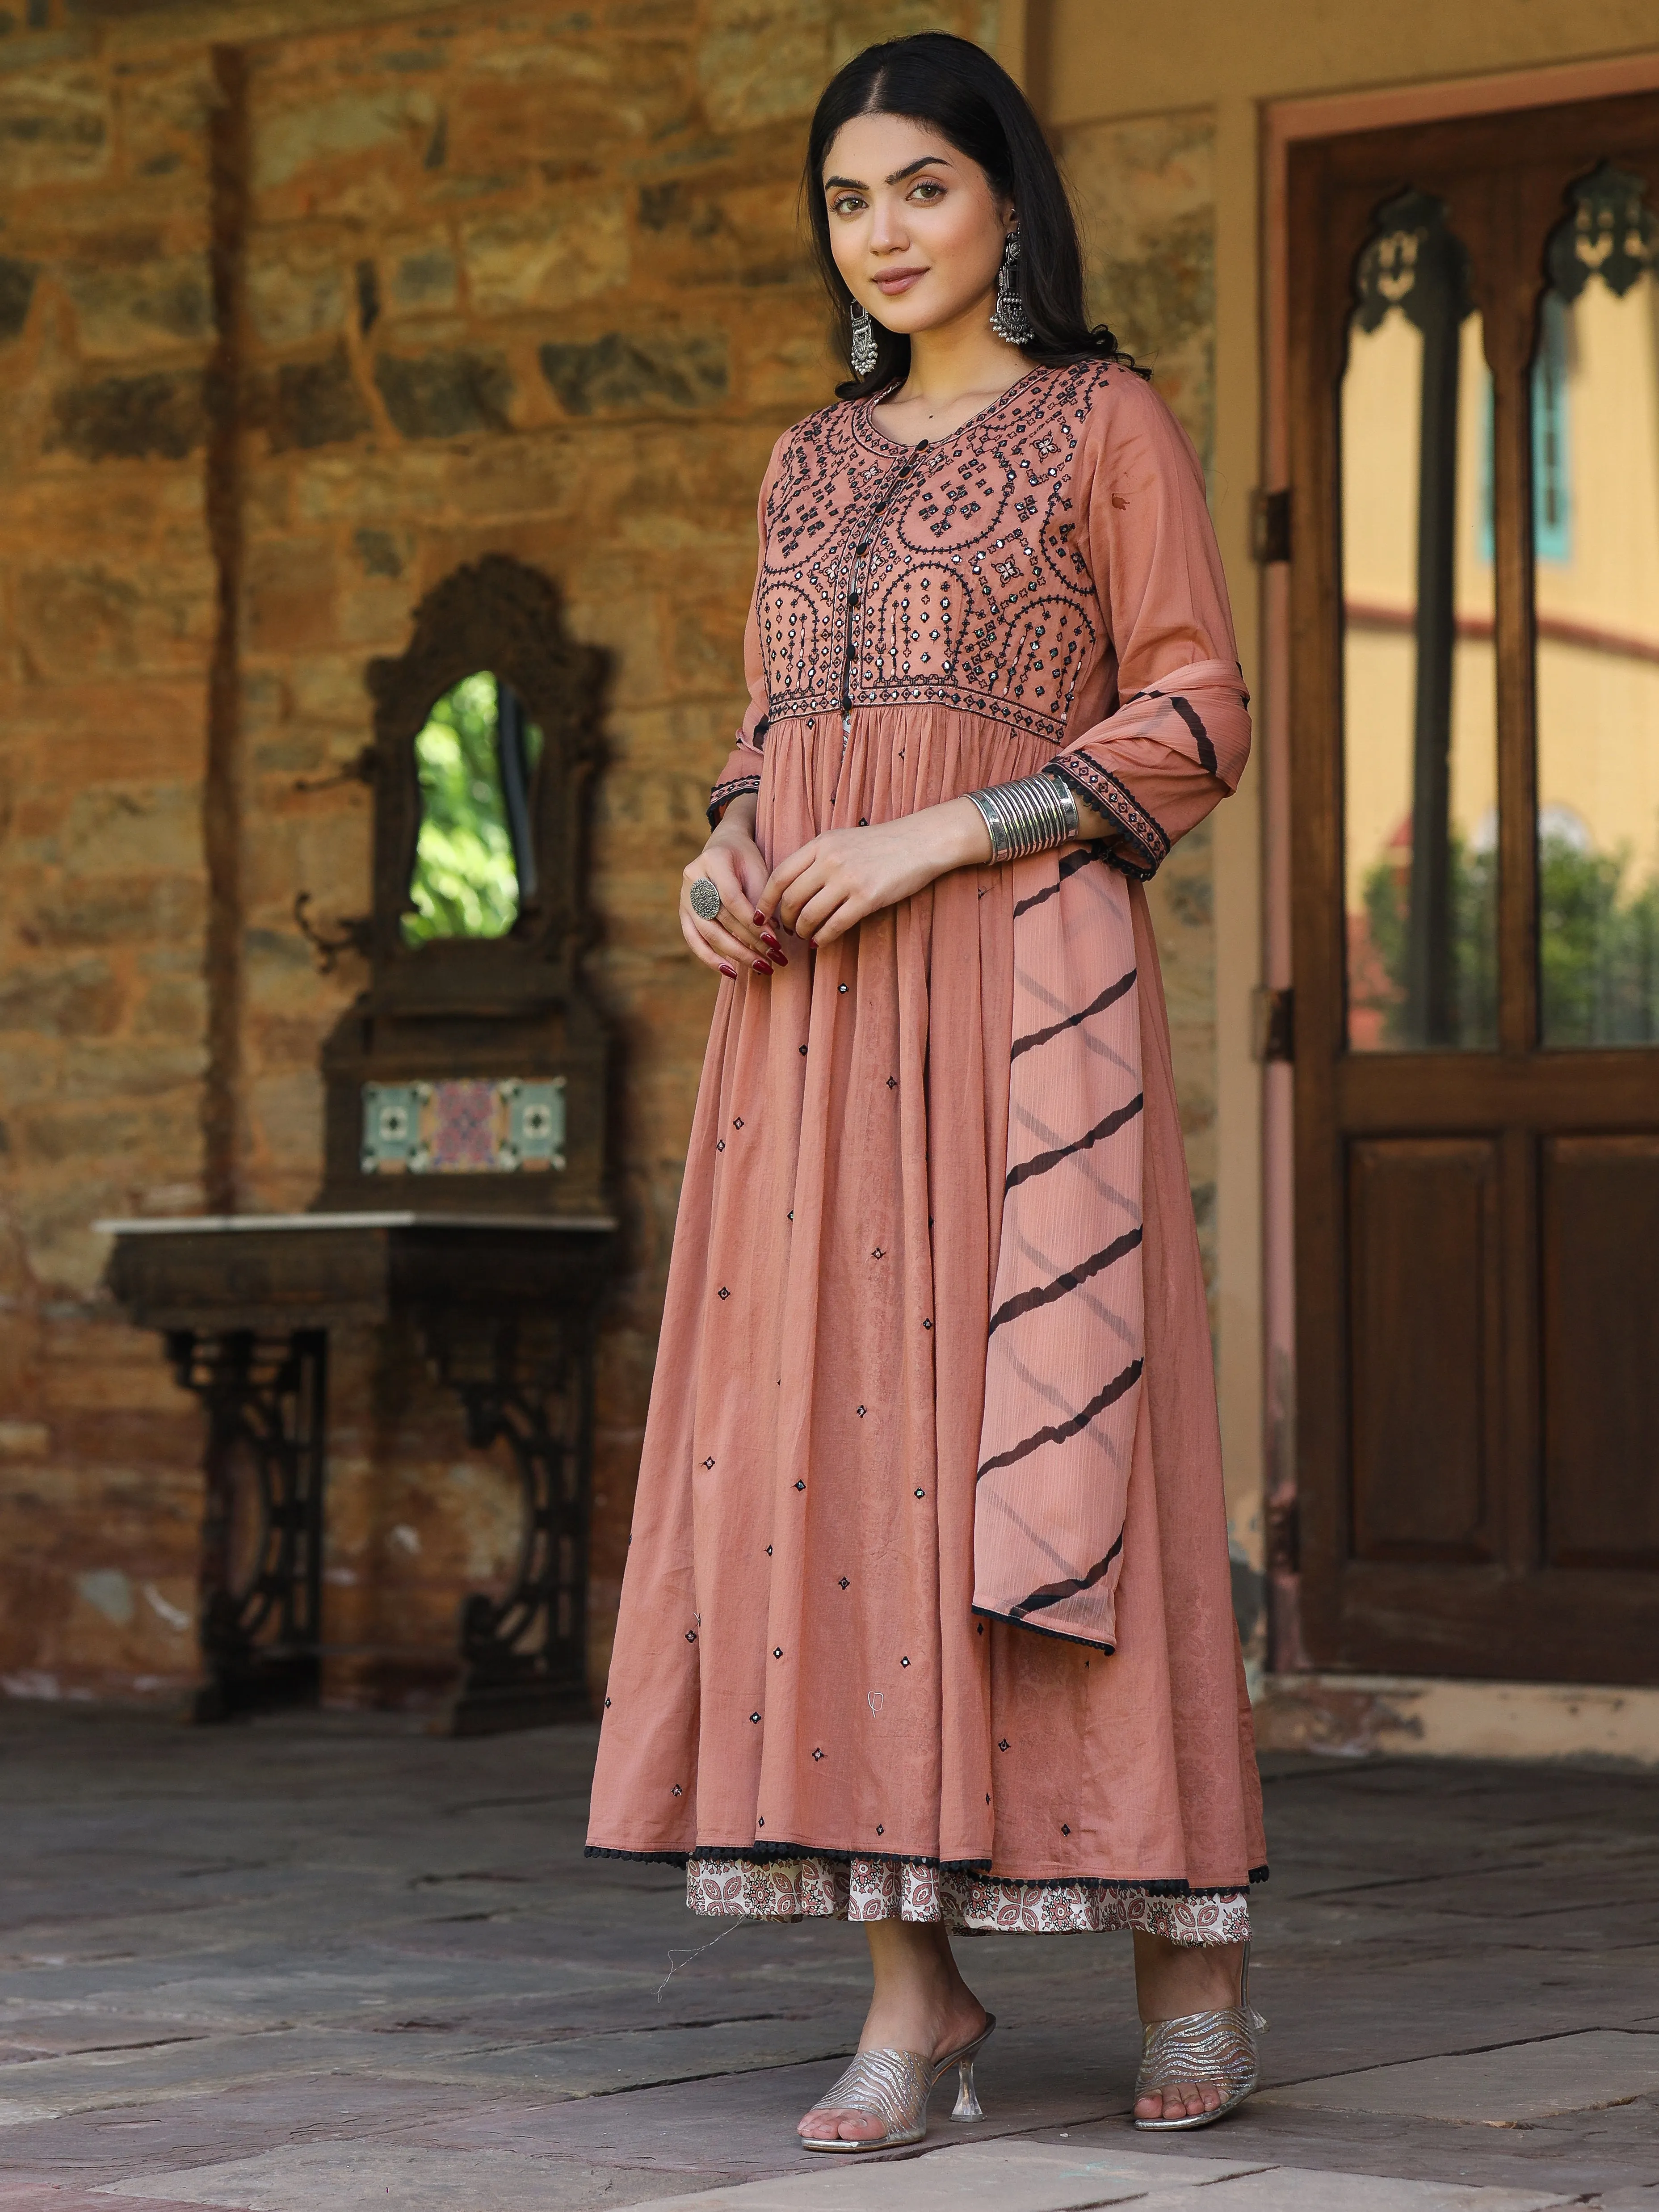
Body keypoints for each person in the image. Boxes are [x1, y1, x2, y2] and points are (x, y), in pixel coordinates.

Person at [585, 29, 1268, 2149]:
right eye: (848, 202)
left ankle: (1194, 1962)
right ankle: (913, 1993)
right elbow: (772, 723)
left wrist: (948, 834)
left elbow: (1196, 715)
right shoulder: (808, 457)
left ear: (1004, 202)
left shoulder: (1101, 420)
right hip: (806, 1022)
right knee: (834, 1461)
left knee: (1067, 1435)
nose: (882, 235)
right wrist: (722, 846)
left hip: (1017, 1002)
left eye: (920, 190)